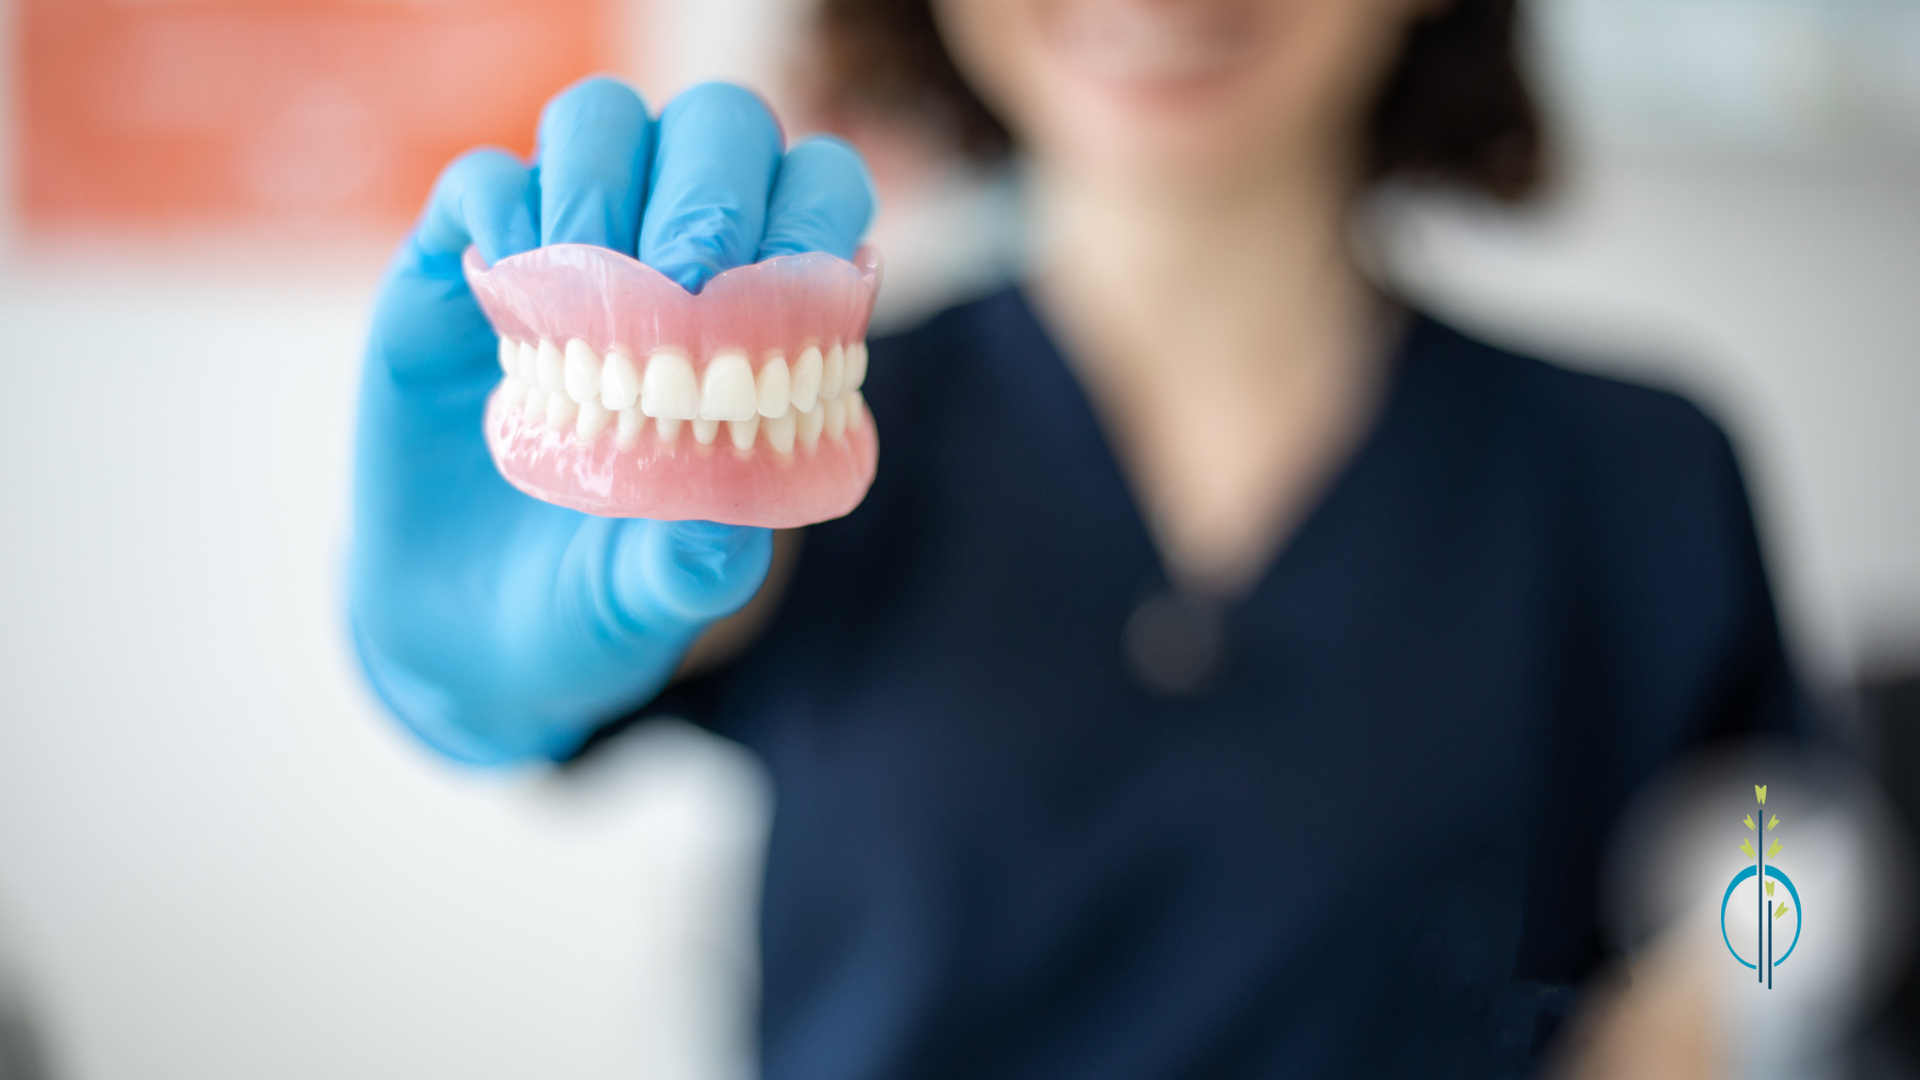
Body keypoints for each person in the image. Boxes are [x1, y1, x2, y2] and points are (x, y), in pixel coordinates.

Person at [350, 0, 1800, 1075]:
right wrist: (481, 664)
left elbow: (1779, 841)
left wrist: (1744, 982)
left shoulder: (1639, 469)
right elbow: (577, 674)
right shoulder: (784, 436)